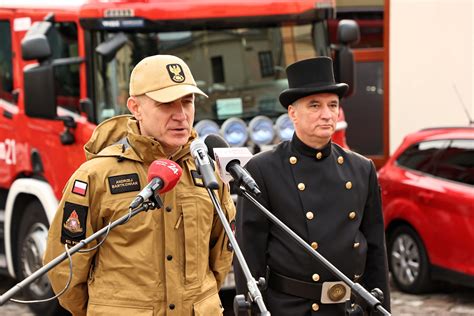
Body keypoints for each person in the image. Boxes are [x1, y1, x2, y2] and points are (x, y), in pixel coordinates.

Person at [44, 55, 236, 315]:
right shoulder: (95, 175)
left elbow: (221, 257)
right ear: (135, 107)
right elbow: (66, 270)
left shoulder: (207, 171)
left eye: (187, 102)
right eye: (167, 104)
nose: (181, 115)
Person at [234, 56, 390, 315]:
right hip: (291, 307)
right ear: (292, 113)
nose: (327, 114)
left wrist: (382, 309)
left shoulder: (361, 168)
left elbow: (376, 250)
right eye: (314, 105)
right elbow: (249, 256)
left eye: (332, 105)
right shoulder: (263, 170)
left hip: (349, 307)